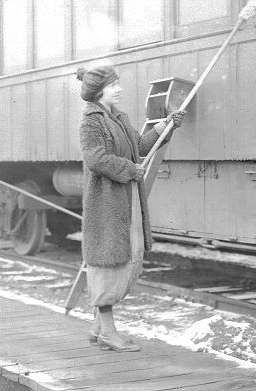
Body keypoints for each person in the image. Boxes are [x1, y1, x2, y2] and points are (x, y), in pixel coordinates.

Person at [77, 64, 185, 352]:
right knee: (108, 263)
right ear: (99, 91)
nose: (119, 89)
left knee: (123, 259)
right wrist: (130, 170)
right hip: (105, 202)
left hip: (123, 199)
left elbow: (140, 145)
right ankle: (108, 334)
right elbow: (95, 159)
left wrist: (167, 126)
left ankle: (98, 328)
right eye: (114, 85)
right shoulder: (91, 120)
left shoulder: (118, 117)